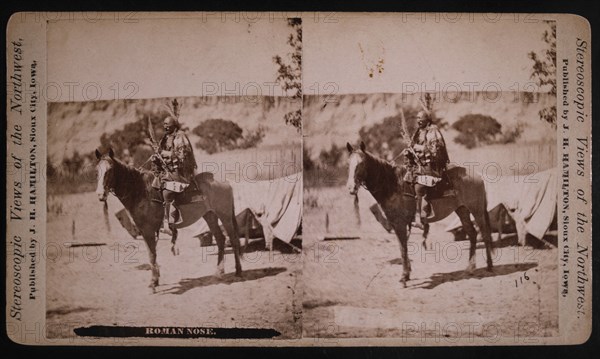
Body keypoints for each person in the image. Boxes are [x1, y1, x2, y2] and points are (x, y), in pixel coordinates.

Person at [152, 115, 197, 227]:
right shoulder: (165, 138)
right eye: (164, 124)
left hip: (181, 172)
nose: (165, 126)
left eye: (167, 124)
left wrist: (165, 154)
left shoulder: (180, 136)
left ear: (174, 125)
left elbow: (183, 155)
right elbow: (163, 154)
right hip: (168, 171)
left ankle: (170, 221)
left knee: (167, 192)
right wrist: (156, 157)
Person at [408, 110, 449, 228]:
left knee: (420, 185)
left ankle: (422, 215)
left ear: (427, 120)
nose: (418, 120)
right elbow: (414, 147)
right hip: (419, 165)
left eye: (421, 118)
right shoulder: (418, 131)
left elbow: (435, 150)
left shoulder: (433, 130)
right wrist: (409, 151)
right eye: (417, 118)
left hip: (433, 166)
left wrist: (417, 147)